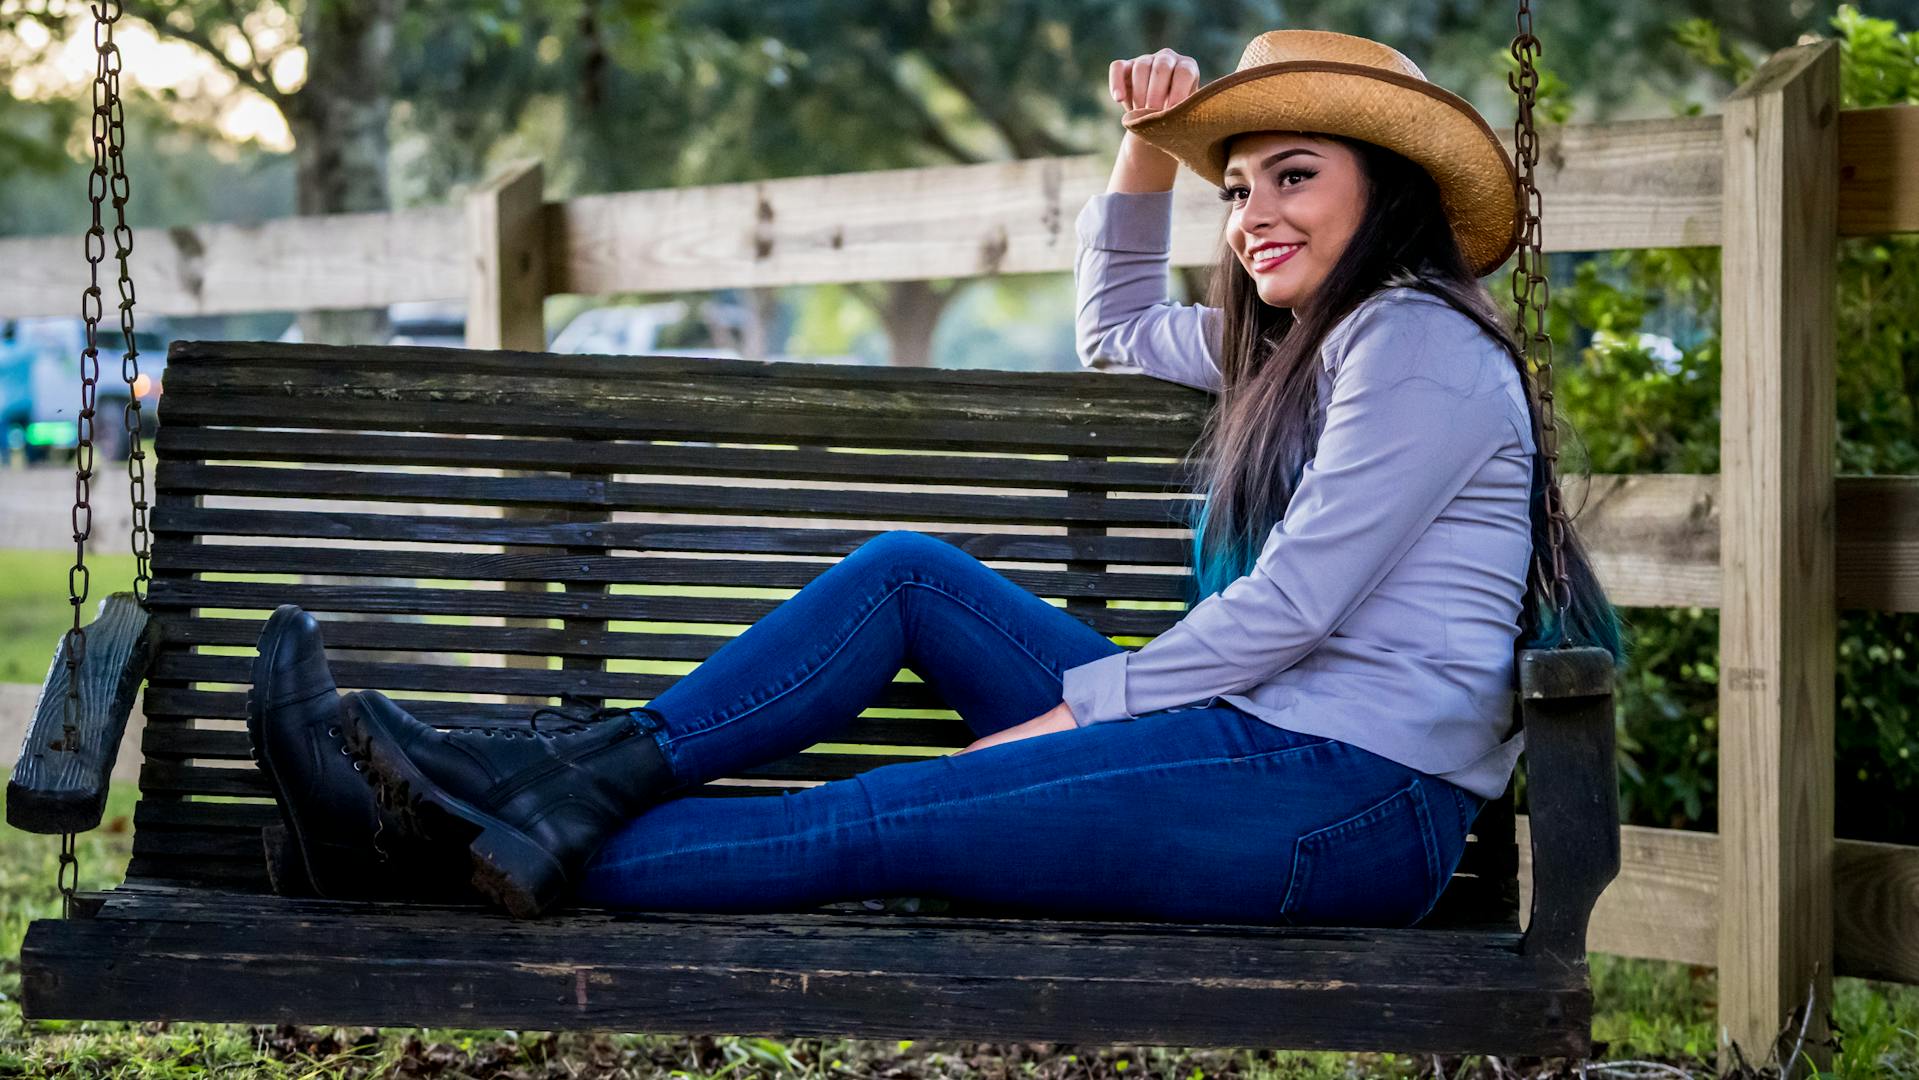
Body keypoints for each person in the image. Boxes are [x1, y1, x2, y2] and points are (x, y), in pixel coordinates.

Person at [247, 28, 1625, 922]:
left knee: (878, 818)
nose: (1255, 215)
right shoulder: (1307, 344)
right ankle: (546, 782)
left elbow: (1295, 609)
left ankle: (417, 854)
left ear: (1383, 194)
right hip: (1269, 740)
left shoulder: (1417, 353)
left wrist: (1073, 719)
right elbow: (1117, 329)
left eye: (1295, 179)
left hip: (1351, 797)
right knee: (908, 578)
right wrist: (1147, 146)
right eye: (1238, 185)